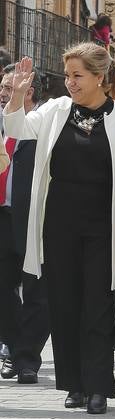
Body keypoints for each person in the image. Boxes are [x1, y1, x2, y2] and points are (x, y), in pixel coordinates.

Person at [3, 45, 115, 414]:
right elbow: (17, 129)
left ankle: (98, 386)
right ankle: (73, 385)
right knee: (65, 303)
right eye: (67, 76)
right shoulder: (56, 110)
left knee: (99, 303)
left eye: (78, 76)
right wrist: (18, 96)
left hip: (104, 224)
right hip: (58, 221)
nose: (70, 83)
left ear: (100, 78)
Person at [0, 65, 49, 385]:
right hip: (2, 215)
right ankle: (15, 346)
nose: (4, 91)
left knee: (37, 291)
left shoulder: (45, 122)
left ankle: (26, 358)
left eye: (10, 86)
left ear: (29, 90)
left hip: (36, 217)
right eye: (3, 85)